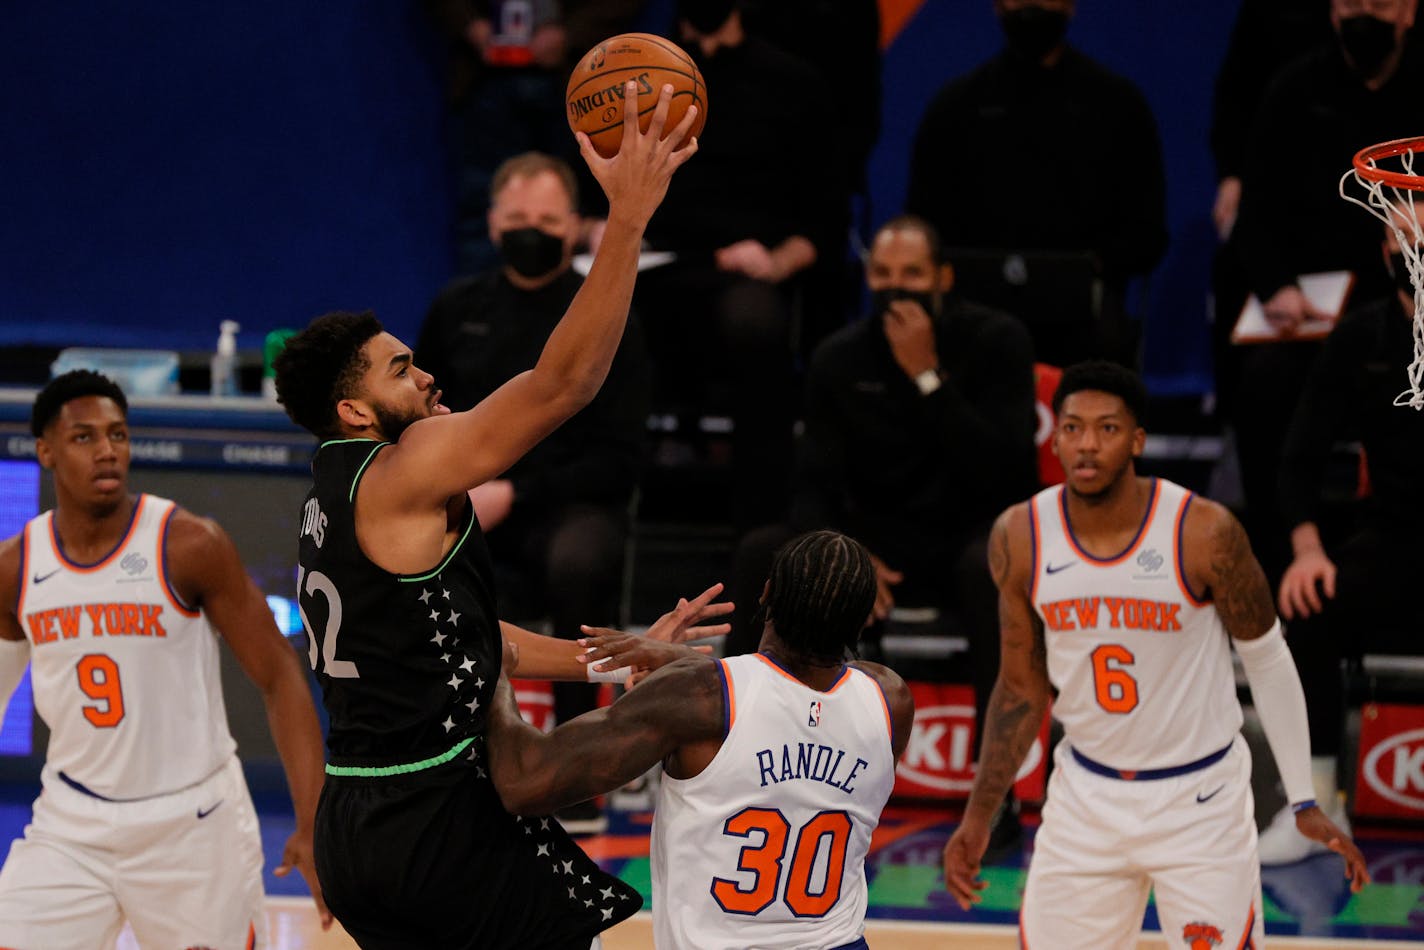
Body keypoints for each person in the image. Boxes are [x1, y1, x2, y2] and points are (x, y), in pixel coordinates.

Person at [271, 86, 711, 948]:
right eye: (402, 370)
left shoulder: (330, 495)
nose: (428, 378)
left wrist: (612, 656)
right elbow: (564, 385)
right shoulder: (400, 470)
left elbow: (473, 636)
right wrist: (624, 220)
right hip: (434, 815)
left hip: (357, 820)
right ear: (356, 412)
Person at [943, 361, 1369, 948]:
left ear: (1138, 439)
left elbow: (1268, 660)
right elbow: (1019, 690)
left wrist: (1302, 796)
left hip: (1199, 802)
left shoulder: (1204, 532)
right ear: (1056, 435)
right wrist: (979, 814)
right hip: (1085, 796)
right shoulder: (1020, 535)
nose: (1087, 444)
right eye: (1072, 428)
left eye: (1108, 428)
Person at [729, 215, 1037, 848]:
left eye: (913, 276)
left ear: (943, 278)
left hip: (965, 537)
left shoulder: (997, 341)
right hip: (872, 544)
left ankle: (995, 794)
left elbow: (1007, 476)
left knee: (993, 567)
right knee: (763, 550)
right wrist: (849, 560)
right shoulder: (839, 357)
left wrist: (927, 377)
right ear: (868, 278)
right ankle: (739, 760)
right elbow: (812, 485)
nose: (898, 289)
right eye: (885, 275)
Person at [0, 370, 330, 949]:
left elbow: (280, 675)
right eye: (84, 437)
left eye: (118, 435)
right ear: (45, 451)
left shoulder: (188, 545)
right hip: (71, 824)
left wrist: (312, 821)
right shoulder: (15, 567)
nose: (107, 451)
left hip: (194, 826)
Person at [485, 529, 915, 950]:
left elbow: (524, 781)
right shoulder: (890, 699)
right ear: (863, 619)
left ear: (765, 593)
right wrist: (686, 668)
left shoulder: (699, 700)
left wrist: (497, 674)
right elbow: (791, 702)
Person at [416, 150, 650, 834]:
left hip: (568, 504)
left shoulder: (609, 314)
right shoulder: (458, 309)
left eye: (547, 218)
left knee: (583, 557)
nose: (530, 229)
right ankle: (457, 765)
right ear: (491, 224)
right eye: (517, 217)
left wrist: (515, 489)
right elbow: (417, 417)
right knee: (425, 552)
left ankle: (577, 774)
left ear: (577, 227)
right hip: (469, 501)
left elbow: (620, 457)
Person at [1228, 0, 1423, 585]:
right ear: (1332, 13)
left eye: (1380, 4)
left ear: (1409, 13)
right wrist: (1277, 288)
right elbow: (1255, 213)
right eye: (1352, 3)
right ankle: (1280, 561)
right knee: (1263, 383)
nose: (1365, 15)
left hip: (1412, 302)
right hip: (1316, 312)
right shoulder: (1294, 89)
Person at [629, 0, 835, 528]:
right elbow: (589, 201)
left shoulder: (792, 82)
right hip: (654, 267)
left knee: (754, 320)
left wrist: (777, 261)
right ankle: (608, 512)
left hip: (748, 273)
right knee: (594, 319)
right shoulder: (634, 79)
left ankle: (760, 530)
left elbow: (822, 225)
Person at [1263, 217, 1424, 863]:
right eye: (1402, 241)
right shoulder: (1360, 336)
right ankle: (1317, 804)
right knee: (1312, 601)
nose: (1412, 253)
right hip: (1392, 534)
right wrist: (1306, 549)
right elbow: (1298, 455)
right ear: (1385, 252)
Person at [906, 0, 1168, 367]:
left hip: (1084, 311)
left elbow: (1147, 232)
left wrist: (1091, 265)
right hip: (973, 306)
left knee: (1106, 346)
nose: (1031, 6)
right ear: (997, 6)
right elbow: (923, 224)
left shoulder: (1118, 105)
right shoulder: (955, 107)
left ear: (1070, 6)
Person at [422, 0, 645, 273]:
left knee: (572, 208)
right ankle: (483, 312)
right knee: (480, 212)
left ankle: (575, 313)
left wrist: (570, 34)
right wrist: (470, 24)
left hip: (573, 81)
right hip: (484, 82)